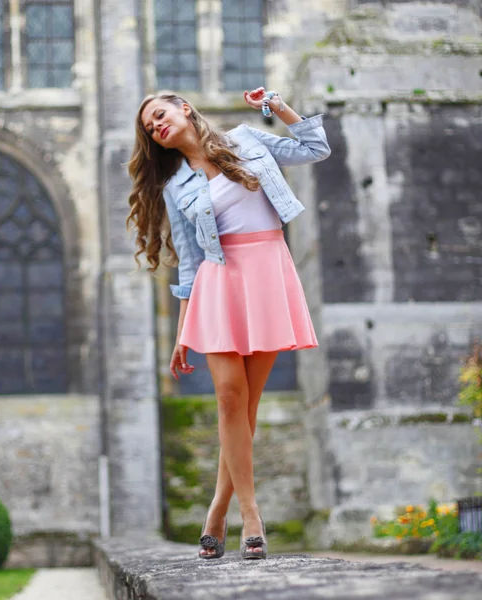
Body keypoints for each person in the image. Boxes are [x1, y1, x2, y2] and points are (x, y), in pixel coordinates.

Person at [127, 88, 331, 560]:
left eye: (159, 115)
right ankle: (252, 513)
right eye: (149, 128)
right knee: (228, 398)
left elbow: (315, 148)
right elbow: (190, 262)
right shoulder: (175, 185)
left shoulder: (248, 140)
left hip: (266, 271)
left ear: (183, 107)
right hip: (219, 281)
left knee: (248, 407)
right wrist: (183, 329)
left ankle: (218, 508)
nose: (156, 126)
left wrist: (277, 106)